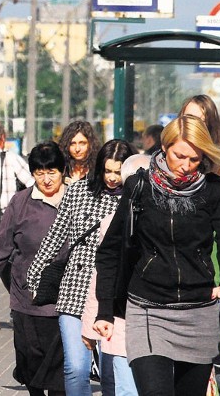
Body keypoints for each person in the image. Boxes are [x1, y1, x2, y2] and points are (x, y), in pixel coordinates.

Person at [95, 115, 220, 396]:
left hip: (198, 312)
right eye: (180, 156)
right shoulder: (139, 187)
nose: (186, 166)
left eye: (195, 159)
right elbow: (110, 249)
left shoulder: (216, 191)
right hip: (147, 309)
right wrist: (105, 309)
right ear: (164, 147)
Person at [27, 139, 137, 396]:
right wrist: (35, 275)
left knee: (111, 374)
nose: (111, 177)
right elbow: (56, 235)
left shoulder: (135, 199)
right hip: (75, 289)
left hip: (114, 294)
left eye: (117, 171)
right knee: (76, 367)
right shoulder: (79, 191)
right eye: (107, 170)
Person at [0, 141, 66, 396]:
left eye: (52, 171)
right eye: (40, 173)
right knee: (30, 366)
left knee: (59, 376)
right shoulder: (20, 202)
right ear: (32, 173)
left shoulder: (77, 200)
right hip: (26, 300)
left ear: (63, 170)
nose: (46, 179)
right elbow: (0, 247)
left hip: (64, 303)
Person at [81, 153, 151, 396]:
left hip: (159, 321)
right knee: (123, 387)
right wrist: (97, 319)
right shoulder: (112, 222)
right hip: (120, 320)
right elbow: (103, 272)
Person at [179, 94, 220, 394]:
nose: (192, 125)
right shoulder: (167, 168)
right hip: (173, 283)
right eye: (187, 118)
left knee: (210, 362)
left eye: (199, 120)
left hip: (212, 283)